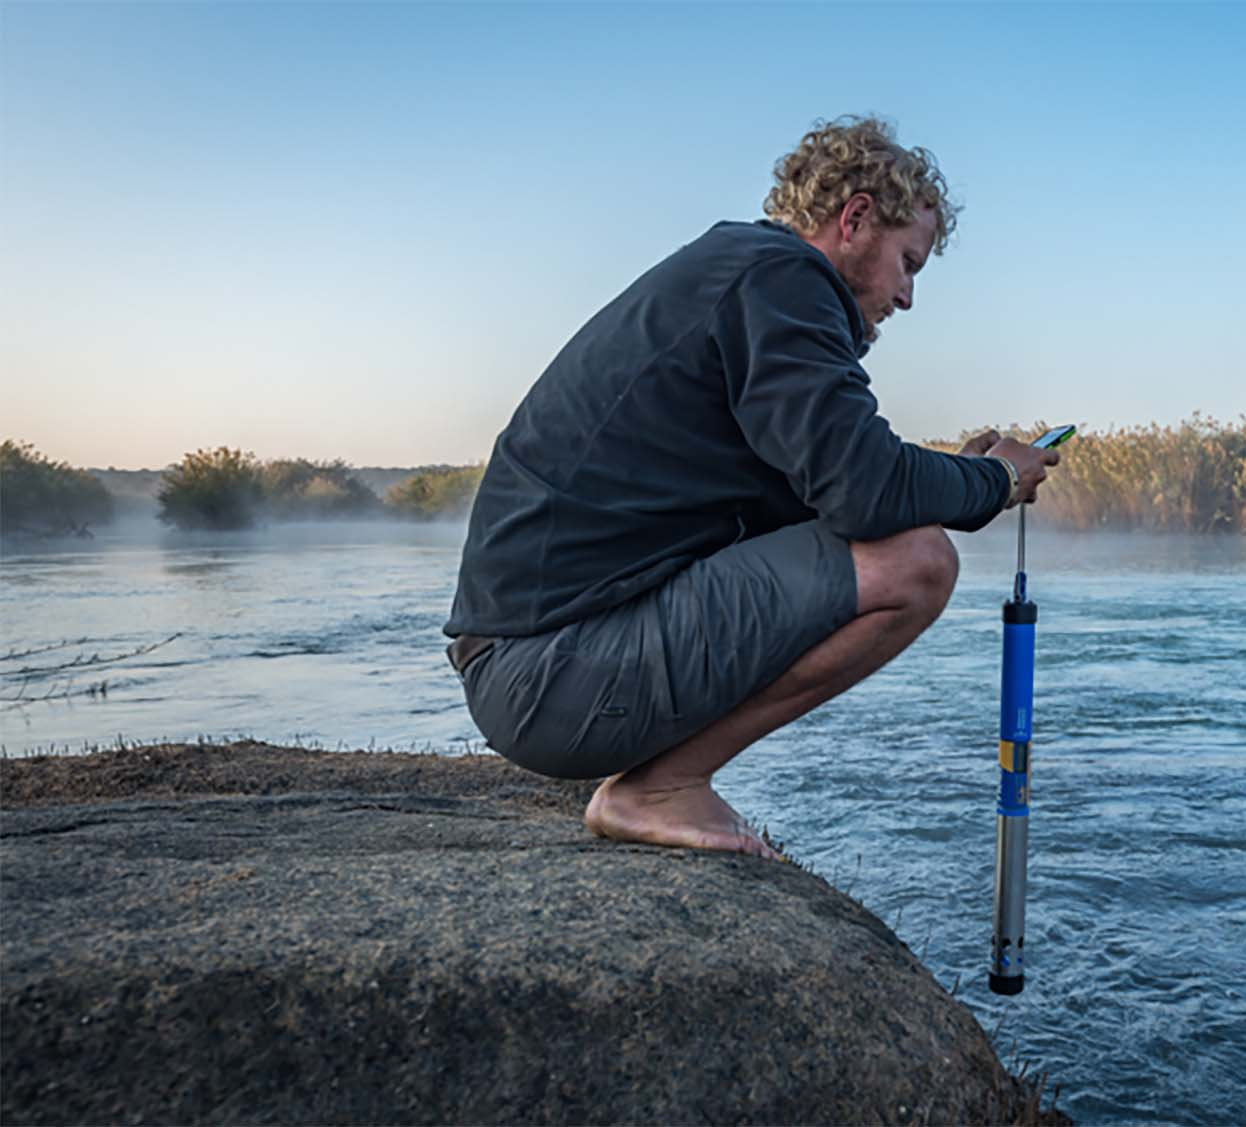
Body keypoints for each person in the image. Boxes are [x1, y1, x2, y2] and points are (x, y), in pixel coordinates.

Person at [443, 116, 1059, 858]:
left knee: (896, 537)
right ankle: (661, 787)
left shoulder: (745, 272)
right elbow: (866, 492)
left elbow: (826, 500)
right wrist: (994, 479)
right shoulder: (783, 280)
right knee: (920, 564)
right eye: (909, 263)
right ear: (856, 217)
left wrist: (953, 475)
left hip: (533, 670)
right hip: (549, 674)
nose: (907, 297)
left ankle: (658, 781)